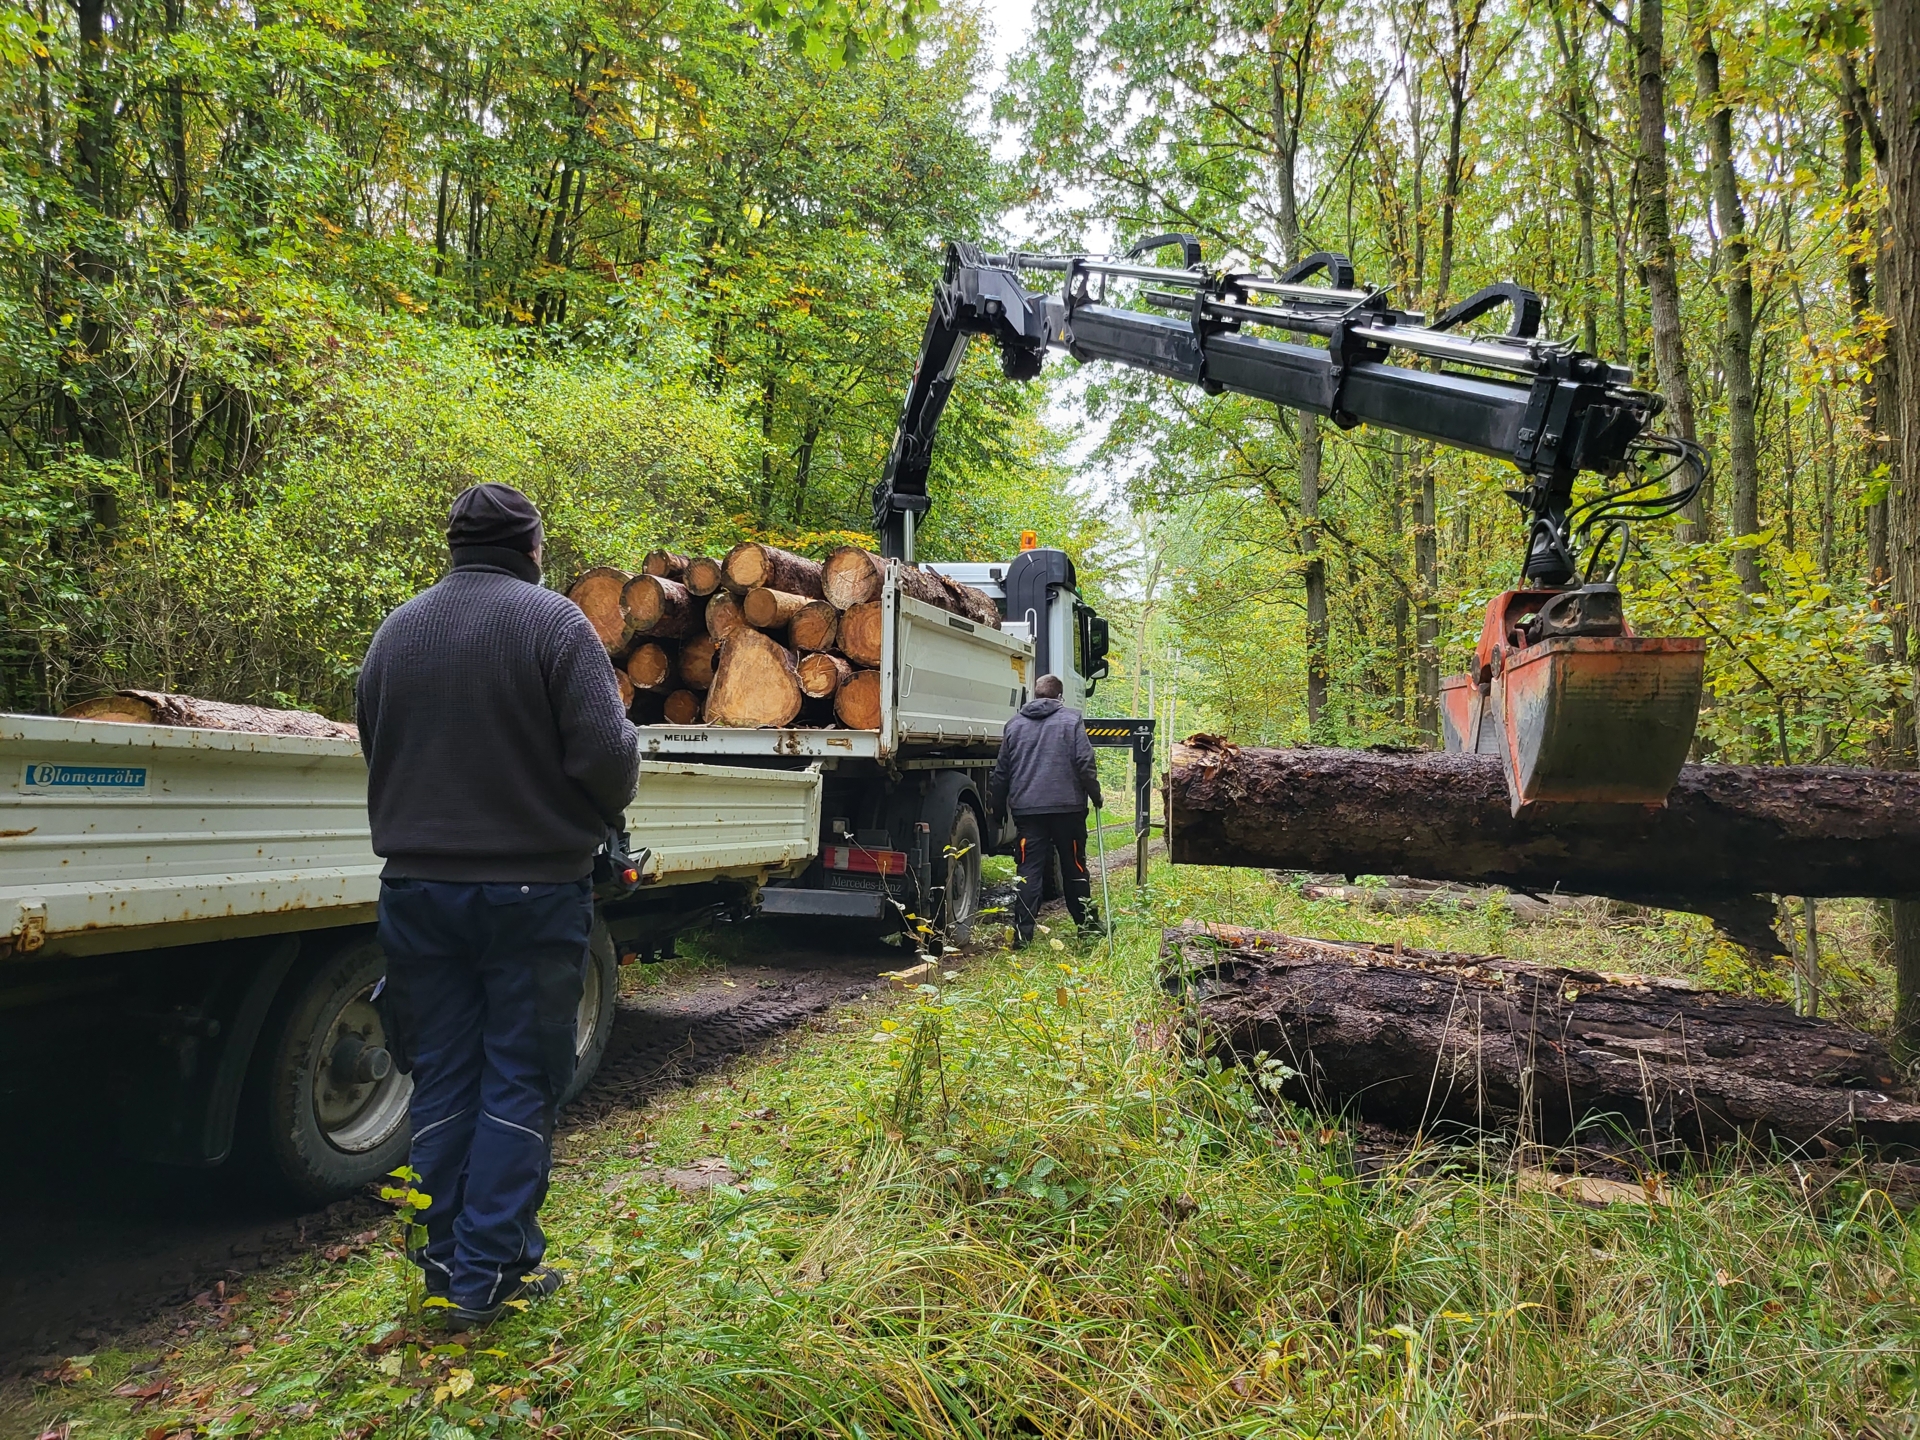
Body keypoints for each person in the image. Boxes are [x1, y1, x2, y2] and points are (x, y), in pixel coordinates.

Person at [356, 483, 638, 1329]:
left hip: (414, 890)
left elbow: (377, 741)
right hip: (531, 893)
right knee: (519, 1081)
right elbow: (605, 758)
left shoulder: (395, 632)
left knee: (443, 1077)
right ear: (534, 548)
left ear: (452, 545)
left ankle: (460, 1263)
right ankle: (478, 1282)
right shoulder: (555, 625)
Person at [989, 673, 1103, 946]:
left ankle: (1022, 936)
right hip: (1068, 810)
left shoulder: (1014, 725)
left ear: (1035, 694)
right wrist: (1095, 795)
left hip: (1028, 813)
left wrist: (997, 809)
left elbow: (1001, 772)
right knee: (1074, 867)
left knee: (1029, 871)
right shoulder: (1072, 720)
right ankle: (1087, 928)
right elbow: (1084, 763)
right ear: (1060, 696)